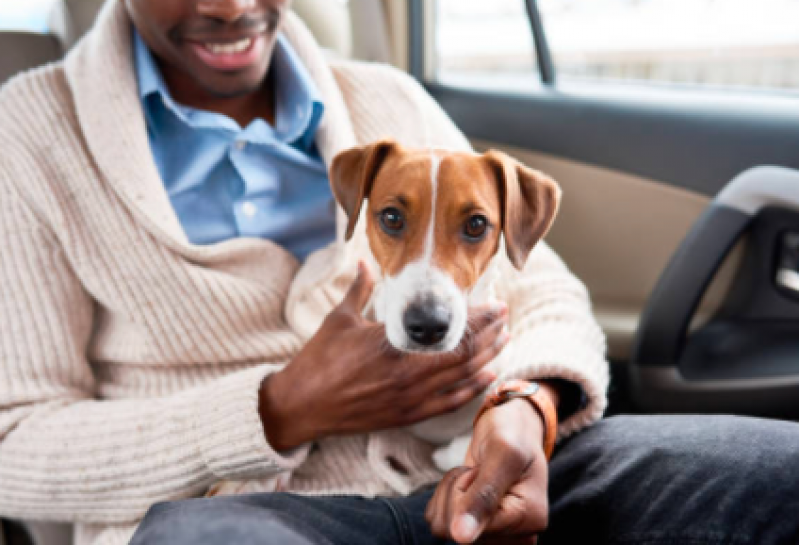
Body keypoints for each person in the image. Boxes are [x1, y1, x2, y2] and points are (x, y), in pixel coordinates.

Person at [0, 1, 798, 545]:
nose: (231, 2)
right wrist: (277, 409)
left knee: (773, 470)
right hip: (243, 511)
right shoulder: (28, 136)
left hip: (470, 471)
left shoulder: (385, 99)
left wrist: (524, 410)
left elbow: (548, 291)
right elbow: (12, 446)